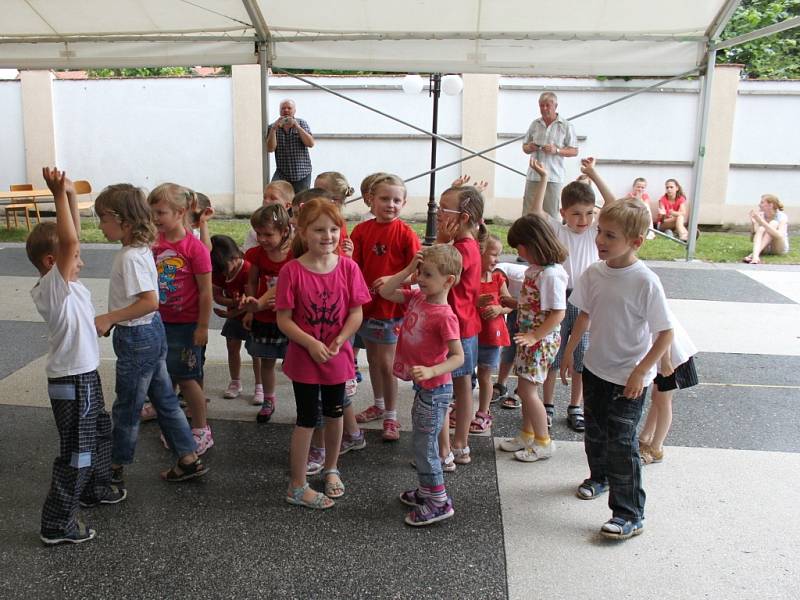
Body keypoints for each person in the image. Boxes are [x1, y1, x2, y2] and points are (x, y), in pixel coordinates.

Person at [560, 198, 674, 541]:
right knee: (594, 432)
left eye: (610, 235)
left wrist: (642, 371)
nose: (600, 241)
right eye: (600, 232)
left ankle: (629, 513)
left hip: (628, 379)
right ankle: (599, 477)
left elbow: (665, 333)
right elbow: (584, 314)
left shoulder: (645, 281)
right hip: (596, 369)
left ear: (635, 242)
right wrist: (569, 351)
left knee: (622, 444)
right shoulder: (594, 273)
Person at [29, 168, 121, 545]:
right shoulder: (54, 289)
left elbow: (72, 239)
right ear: (53, 262)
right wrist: (55, 198)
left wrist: (68, 194)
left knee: (99, 432)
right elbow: (69, 243)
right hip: (72, 381)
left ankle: (93, 489)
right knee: (76, 454)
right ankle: (57, 523)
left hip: (85, 376)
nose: (80, 260)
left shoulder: (69, 285)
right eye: (75, 258)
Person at [93, 184, 208, 485]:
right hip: (149, 332)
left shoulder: (131, 257)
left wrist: (109, 318)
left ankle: (114, 466)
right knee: (165, 399)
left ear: (125, 222)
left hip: (137, 337)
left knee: (127, 406)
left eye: (103, 219)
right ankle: (188, 457)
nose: (100, 226)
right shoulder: (141, 248)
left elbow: (148, 301)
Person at [276, 197, 370, 510]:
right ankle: (297, 484)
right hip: (305, 358)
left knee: (335, 412)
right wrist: (311, 343)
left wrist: (340, 339)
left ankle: (332, 468)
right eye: (319, 230)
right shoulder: (292, 271)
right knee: (306, 418)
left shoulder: (349, 268)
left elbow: (355, 312)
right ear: (302, 231)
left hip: (336, 355)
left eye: (333, 229)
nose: (328, 236)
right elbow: (284, 320)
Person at [528, 157, 615, 432]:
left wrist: (593, 174)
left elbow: (614, 206)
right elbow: (535, 212)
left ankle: (575, 405)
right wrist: (543, 179)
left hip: (586, 298)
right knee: (553, 354)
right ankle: (548, 403)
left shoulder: (595, 233)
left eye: (589, 213)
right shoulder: (556, 229)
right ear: (563, 212)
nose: (584, 220)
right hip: (558, 298)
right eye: (577, 213)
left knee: (580, 356)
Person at [380, 245, 465, 526]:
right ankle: (426, 491)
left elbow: (458, 357)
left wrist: (431, 369)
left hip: (437, 389)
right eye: (420, 271)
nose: (420, 278)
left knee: (424, 446)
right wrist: (407, 271)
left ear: (448, 280)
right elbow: (385, 292)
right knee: (420, 440)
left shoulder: (445, 316)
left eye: (427, 274)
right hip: (425, 389)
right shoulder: (418, 297)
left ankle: (439, 500)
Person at [351, 174, 421, 442]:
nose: (390, 204)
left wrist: (395, 280)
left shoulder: (405, 233)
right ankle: (379, 404)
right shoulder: (361, 231)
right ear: (371, 200)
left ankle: (391, 415)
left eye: (396, 200)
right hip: (368, 308)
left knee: (387, 363)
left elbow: (418, 271)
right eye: (384, 199)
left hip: (392, 310)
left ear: (403, 203)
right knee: (372, 361)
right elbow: (354, 267)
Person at [149, 183, 214, 454]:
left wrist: (202, 326)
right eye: (152, 213)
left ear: (181, 212)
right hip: (159, 322)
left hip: (187, 325)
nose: (155, 219)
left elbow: (205, 291)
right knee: (166, 378)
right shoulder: (153, 244)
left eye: (160, 213)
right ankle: (175, 426)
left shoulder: (194, 248)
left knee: (187, 378)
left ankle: (201, 430)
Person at [498, 214, 568, 462]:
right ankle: (527, 434)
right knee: (525, 389)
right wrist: (513, 303)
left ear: (532, 244)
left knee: (527, 391)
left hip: (540, 342)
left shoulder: (551, 274)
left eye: (520, 248)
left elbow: (558, 312)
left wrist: (535, 335)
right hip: (530, 339)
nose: (520, 253)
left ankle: (543, 441)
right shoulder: (536, 270)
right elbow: (536, 305)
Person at [436, 185, 486, 466]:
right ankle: (458, 444)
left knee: (453, 387)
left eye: (444, 209)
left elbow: (437, 269)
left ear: (463, 217)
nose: (438, 213)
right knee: (461, 386)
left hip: (456, 328)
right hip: (463, 326)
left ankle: (455, 446)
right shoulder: (467, 246)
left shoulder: (462, 249)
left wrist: (443, 239)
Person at [241, 204, 293, 423]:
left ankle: (306, 401)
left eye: (268, 234)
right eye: (258, 234)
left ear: (285, 231)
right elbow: (251, 281)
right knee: (267, 361)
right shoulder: (256, 254)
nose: (262, 239)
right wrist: (251, 309)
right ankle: (269, 399)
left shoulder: (295, 254)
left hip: (290, 317)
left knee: (296, 363)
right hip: (264, 316)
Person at [210, 235, 262, 404]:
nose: (224, 275)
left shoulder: (247, 270)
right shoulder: (218, 271)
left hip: (251, 314)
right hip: (235, 313)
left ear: (235, 257)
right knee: (232, 346)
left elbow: (250, 301)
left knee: (256, 352)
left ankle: (260, 386)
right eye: (220, 272)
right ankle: (235, 382)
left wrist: (235, 311)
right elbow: (217, 296)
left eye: (226, 269)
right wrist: (232, 303)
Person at [639, 317, 698, 465]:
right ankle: (645, 437)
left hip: (671, 357)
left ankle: (656, 448)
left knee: (663, 401)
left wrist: (665, 361)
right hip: (663, 356)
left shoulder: (652, 298)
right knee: (657, 397)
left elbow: (665, 331)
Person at [472, 235, 512, 434]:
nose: (497, 260)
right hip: (471, 334)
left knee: (485, 375)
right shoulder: (469, 279)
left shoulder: (498, 278)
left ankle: (483, 412)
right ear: (479, 252)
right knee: (463, 374)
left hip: (492, 336)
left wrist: (499, 309)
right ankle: (458, 407)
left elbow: (509, 304)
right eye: (494, 254)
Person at [521, 92, 578, 218]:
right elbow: (524, 147)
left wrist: (556, 150)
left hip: (553, 177)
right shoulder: (535, 124)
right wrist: (530, 147)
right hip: (534, 176)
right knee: (528, 212)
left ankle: (549, 237)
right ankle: (527, 237)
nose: (544, 109)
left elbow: (574, 151)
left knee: (551, 213)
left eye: (548, 105)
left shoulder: (566, 126)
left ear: (555, 106)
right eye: (542, 106)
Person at [492, 262, 528, 408]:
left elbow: (527, 304)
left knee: (524, 351)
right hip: (513, 305)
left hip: (529, 311)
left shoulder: (520, 279)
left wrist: (502, 307)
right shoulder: (496, 272)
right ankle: (501, 385)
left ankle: (521, 391)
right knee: (509, 347)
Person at [266, 99, 315, 193]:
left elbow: (310, 144)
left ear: (294, 110)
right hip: (282, 173)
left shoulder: (301, 123)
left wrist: (297, 127)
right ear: (279, 111)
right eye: (283, 108)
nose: (286, 110)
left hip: (302, 173)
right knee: (273, 193)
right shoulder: (273, 127)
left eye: (289, 108)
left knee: (300, 202)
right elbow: (270, 149)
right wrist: (273, 129)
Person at [243, 181, 295, 252]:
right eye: (264, 198)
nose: (266, 201)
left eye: (273, 198)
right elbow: (247, 252)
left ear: (287, 205)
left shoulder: (294, 229)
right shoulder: (255, 230)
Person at [744, 194, 790, 264]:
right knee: (762, 228)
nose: (759, 205)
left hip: (778, 248)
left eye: (762, 202)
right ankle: (755, 256)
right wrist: (754, 223)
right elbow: (754, 237)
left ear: (770, 205)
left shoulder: (782, 216)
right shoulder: (760, 215)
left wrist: (762, 222)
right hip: (765, 249)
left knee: (773, 223)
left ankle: (753, 255)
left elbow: (779, 235)